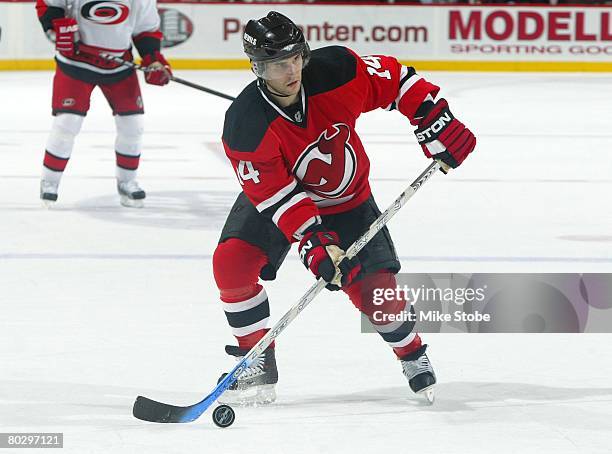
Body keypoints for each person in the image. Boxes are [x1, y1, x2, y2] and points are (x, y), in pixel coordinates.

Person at [214, 11, 476, 405]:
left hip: (347, 200)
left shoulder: (335, 71)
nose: (291, 71)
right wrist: (314, 242)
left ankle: (412, 353)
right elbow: (278, 197)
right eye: (277, 64)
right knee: (231, 263)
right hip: (281, 201)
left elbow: (397, 80)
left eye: (295, 58)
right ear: (257, 68)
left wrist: (433, 120)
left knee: (377, 297)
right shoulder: (244, 125)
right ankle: (256, 359)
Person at [35, 0, 172, 208]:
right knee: (67, 123)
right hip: (75, 63)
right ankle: (50, 181)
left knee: (133, 125)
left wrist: (153, 60)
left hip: (118, 65)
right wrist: (55, 29)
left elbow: (146, 31)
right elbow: (48, 5)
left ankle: (127, 181)